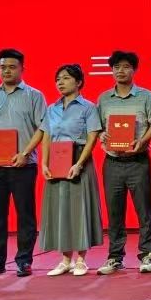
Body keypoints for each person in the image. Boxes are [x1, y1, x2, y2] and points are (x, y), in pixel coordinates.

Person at [0, 48, 48, 278]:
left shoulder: (34, 96)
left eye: (12, 67)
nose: (6, 71)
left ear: (22, 69)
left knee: (25, 215)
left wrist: (25, 152)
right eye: (3, 67)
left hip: (23, 165)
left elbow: (43, 128)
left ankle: (24, 260)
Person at [95, 51, 151, 275]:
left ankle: (147, 254)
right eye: (116, 67)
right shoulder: (104, 98)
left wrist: (142, 141)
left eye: (125, 67)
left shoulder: (146, 96)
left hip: (138, 161)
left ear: (134, 70)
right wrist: (102, 134)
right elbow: (98, 127)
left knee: (144, 210)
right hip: (112, 161)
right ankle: (115, 257)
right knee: (114, 211)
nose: (120, 71)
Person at [39, 64, 104, 276]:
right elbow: (46, 137)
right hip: (56, 159)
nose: (60, 82)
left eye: (66, 78)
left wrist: (79, 163)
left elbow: (92, 137)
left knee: (79, 208)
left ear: (79, 82)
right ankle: (65, 259)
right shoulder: (51, 109)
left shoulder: (88, 107)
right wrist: (44, 163)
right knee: (60, 209)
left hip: (78, 159)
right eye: (58, 79)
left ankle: (81, 259)